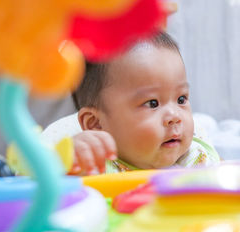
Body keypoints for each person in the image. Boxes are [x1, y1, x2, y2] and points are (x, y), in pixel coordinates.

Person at [70, 31, 220, 174]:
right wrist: (71, 160)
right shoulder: (94, 168)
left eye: (181, 99)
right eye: (152, 103)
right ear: (95, 124)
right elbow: (57, 190)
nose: (175, 116)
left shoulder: (197, 157)